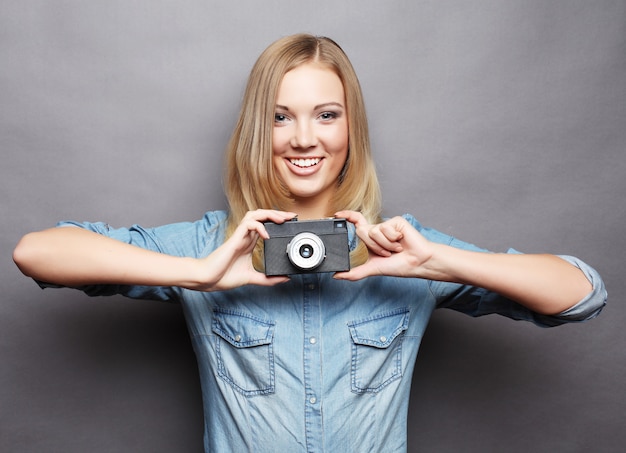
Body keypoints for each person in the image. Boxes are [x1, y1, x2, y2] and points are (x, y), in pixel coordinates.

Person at [13, 34, 606, 453]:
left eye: (326, 115)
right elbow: (37, 252)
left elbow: (582, 292)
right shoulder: (208, 245)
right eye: (280, 117)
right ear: (257, 130)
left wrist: (438, 262)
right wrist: (203, 274)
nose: (303, 139)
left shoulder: (404, 250)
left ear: (352, 131)